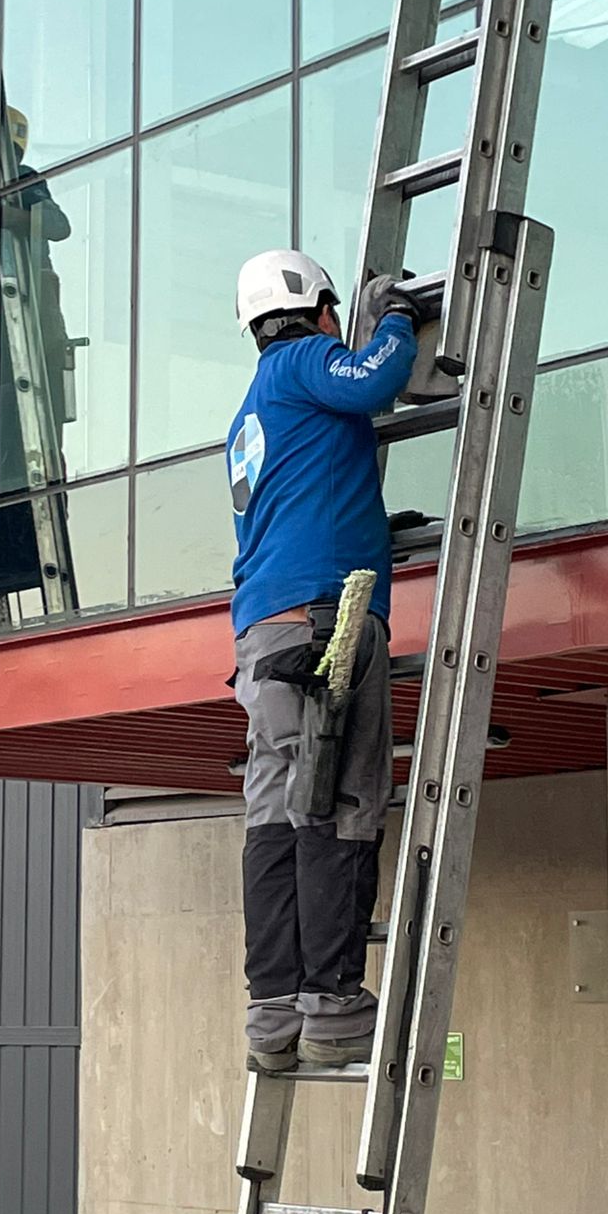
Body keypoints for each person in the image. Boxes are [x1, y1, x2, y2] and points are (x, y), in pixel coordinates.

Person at [227, 249, 421, 1073]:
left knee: (274, 812)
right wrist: (401, 321)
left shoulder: (251, 412)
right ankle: (334, 1006)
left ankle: (272, 1015)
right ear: (320, 310)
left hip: (262, 635)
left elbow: (307, 489)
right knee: (341, 801)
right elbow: (373, 380)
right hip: (323, 621)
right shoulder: (304, 359)